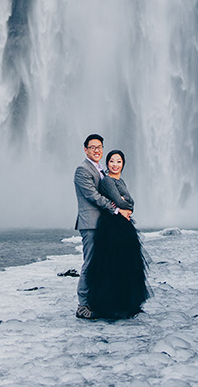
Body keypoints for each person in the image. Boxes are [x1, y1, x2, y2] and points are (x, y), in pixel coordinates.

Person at [85, 149, 149, 319]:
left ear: (123, 164)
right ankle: (111, 304)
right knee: (112, 264)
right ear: (107, 164)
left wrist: (126, 204)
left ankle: (124, 303)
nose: (115, 164)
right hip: (112, 226)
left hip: (122, 224)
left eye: (118, 161)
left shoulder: (120, 181)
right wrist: (123, 203)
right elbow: (121, 201)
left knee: (125, 264)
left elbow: (130, 203)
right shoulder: (107, 181)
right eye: (112, 161)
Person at [74, 134, 132, 319]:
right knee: (90, 264)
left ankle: (97, 301)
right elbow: (93, 196)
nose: (97, 150)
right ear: (85, 150)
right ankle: (82, 306)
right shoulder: (82, 170)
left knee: (101, 265)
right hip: (90, 223)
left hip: (103, 225)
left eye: (100, 147)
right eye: (92, 147)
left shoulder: (102, 171)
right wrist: (117, 210)